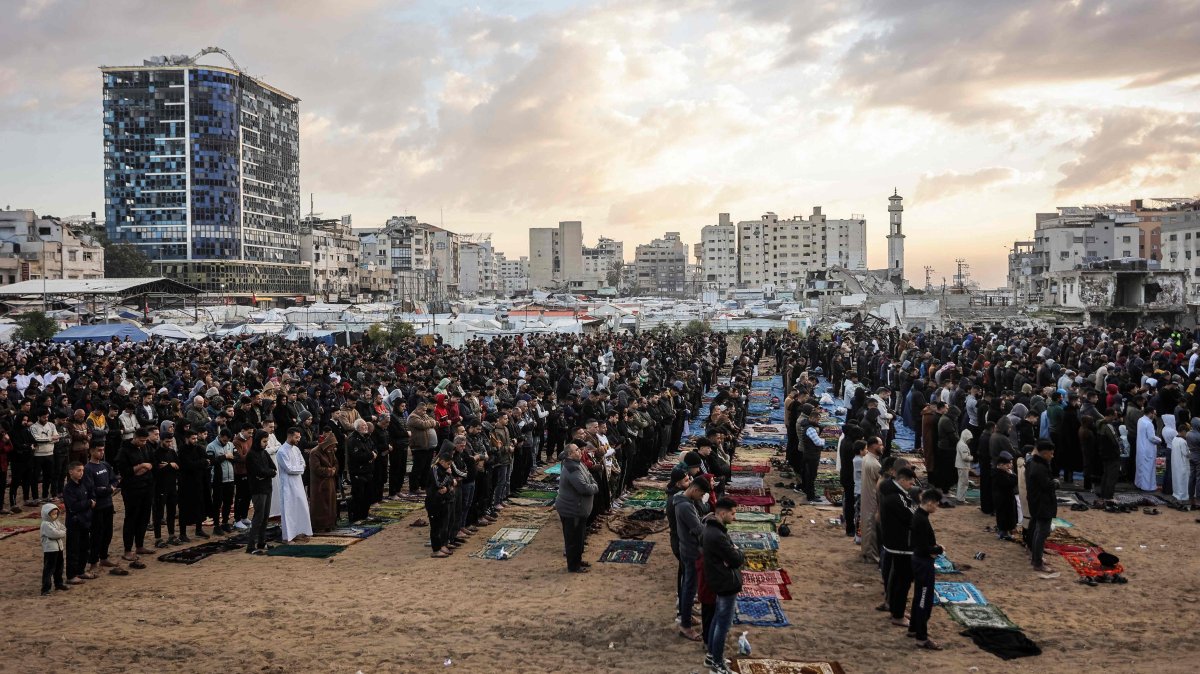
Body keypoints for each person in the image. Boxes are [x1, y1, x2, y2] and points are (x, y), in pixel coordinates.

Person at [702, 497, 743, 674]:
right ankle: (717, 663)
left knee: (717, 620)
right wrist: (738, 552)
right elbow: (736, 559)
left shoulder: (711, 529)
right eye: (732, 513)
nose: (734, 517)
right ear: (722, 513)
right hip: (725, 582)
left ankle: (712, 655)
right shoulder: (717, 535)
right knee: (722, 624)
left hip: (719, 580)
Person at [674, 475, 710, 642]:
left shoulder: (683, 501)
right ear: (695, 490)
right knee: (689, 588)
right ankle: (686, 626)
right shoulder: (685, 507)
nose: (701, 498)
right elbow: (697, 529)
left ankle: (686, 615)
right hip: (691, 551)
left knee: (688, 586)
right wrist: (707, 524)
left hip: (687, 548)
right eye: (701, 494)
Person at [881, 466, 917, 626]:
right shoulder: (896, 497)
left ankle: (896, 609)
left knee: (896, 577)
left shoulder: (891, 492)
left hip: (894, 542)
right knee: (903, 580)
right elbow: (910, 516)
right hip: (901, 544)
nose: (912, 485)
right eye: (910, 483)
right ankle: (898, 614)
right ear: (902, 480)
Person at [909, 488, 944, 650]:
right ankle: (921, 637)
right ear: (929, 503)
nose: (937, 507)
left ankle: (913, 628)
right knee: (924, 600)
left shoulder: (920, 515)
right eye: (936, 504)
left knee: (918, 597)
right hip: (923, 563)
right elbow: (923, 547)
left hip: (919, 560)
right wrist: (938, 549)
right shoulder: (921, 520)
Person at [114, 427, 155, 569]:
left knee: (144, 517)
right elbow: (125, 471)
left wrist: (142, 468)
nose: (143, 443)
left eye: (145, 440)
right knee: (131, 518)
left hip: (147, 485)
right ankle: (127, 550)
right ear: (135, 437)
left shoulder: (146, 447)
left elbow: (151, 463)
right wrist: (141, 466)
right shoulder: (124, 450)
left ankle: (140, 545)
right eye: (141, 440)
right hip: (131, 489)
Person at [555, 443, 598, 573]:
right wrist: (595, 487)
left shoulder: (578, 464)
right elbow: (584, 488)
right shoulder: (571, 468)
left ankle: (577, 560)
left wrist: (593, 483)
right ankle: (573, 566)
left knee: (579, 537)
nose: (580, 451)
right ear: (569, 454)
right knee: (573, 539)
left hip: (578, 509)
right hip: (571, 510)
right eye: (576, 450)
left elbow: (590, 477)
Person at [1025, 441, 1057, 573]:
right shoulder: (1039, 467)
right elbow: (1046, 485)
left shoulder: (1033, 463)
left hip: (1037, 502)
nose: (1052, 456)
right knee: (1042, 531)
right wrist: (1055, 483)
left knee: (1038, 530)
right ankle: (1037, 562)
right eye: (1051, 453)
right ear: (1044, 453)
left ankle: (1036, 558)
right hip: (1042, 503)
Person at [276, 427, 313, 542]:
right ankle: (288, 536)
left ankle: (300, 531)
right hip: (287, 484)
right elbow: (289, 469)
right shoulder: (281, 451)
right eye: (296, 437)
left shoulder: (296, 449)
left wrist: (300, 468)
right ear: (290, 436)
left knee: (301, 507)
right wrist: (301, 468)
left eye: (299, 437)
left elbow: (303, 462)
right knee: (289, 510)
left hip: (298, 483)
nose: (298, 440)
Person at [245, 430, 277, 555]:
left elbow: (272, 468)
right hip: (258, 489)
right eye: (264, 441)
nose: (266, 444)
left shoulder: (263, 453)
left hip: (267, 487)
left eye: (266, 441)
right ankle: (250, 545)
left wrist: (266, 473)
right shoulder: (251, 455)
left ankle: (261, 541)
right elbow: (259, 471)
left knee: (265, 517)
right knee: (258, 516)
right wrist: (266, 473)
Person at [61, 461, 93, 585]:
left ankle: (81, 571)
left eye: (82, 470)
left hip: (85, 521)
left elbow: (90, 495)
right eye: (78, 470)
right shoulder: (68, 488)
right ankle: (71, 575)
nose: (81, 473)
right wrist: (89, 503)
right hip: (74, 523)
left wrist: (89, 502)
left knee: (85, 548)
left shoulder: (82, 484)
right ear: (71, 472)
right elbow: (73, 506)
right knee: (73, 549)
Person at [309, 426, 340, 532]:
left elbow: (336, 463)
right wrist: (330, 471)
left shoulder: (330, 451)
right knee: (320, 505)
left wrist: (334, 469)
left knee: (330, 505)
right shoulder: (315, 452)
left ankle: (330, 524)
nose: (332, 449)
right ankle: (319, 526)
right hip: (319, 484)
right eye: (331, 446)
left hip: (330, 483)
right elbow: (316, 468)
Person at [426, 451, 457, 558]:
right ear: (442, 461)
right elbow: (439, 484)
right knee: (435, 527)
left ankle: (442, 545)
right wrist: (448, 476)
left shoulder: (444, 469)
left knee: (443, 525)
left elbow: (450, 484)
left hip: (443, 500)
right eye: (448, 464)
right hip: (434, 502)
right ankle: (436, 549)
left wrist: (448, 486)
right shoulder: (435, 468)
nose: (449, 466)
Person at [859, 435, 883, 563]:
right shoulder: (874, 463)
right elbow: (880, 484)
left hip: (867, 495)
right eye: (880, 444)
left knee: (867, 524)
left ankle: (866, 551)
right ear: (874, 446)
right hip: (872, 497)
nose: (882, 447)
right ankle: (871, 555)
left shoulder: (867, 458)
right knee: (871, 526)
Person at [346, 419, 376, 522]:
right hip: (358, 472)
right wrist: (371, 455)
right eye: (363, 426)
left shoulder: (367, 437)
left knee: (368, 495)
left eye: (366, 425)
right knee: (358, 496)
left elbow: (374, 448)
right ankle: (356, 517)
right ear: (357, 427)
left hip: (368, 470)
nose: (366, 427)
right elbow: (356, 456)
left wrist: (373, 453)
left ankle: (365, 515)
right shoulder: (353, 440)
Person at [39, 502, 68, 595]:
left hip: (59, 547)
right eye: (53, 514)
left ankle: (58, 583)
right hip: (50, 549)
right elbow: (54, 534)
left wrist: (60, 532)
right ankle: (45, 588)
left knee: (59, 567)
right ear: (47, 514)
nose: (55, 515)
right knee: (49, 569)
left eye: (56, 513)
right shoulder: (45, 524)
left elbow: (64, 529)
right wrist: (61, 533)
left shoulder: (56, 522)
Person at [992, 452, 1017, 540]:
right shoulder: (999, 474)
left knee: (1006, 515)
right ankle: (1003, 533)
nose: (1010, 466)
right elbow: (1010, 483)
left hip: (1004, 498)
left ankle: (1004, 531)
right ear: (1001, 465)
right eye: (1008, 464)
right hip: (1003, 499)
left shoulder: (999, 472)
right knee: (1005, 516)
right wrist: (1012, 475)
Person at [1134, 407, 1161, 492]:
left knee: (1141, 467)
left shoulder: (1140, 420)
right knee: (1148, 469)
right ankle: (1148, 486)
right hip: (1148, 449)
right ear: (1151, 413)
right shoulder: (1149, 424)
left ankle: (1139, 484)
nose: (1155, 415)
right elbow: (1152, 438)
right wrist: (1160, 440)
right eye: (1154, 413)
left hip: (1141, 448)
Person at [954, 428, 973, 504]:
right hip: (963, 466)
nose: (970, 441)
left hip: (961, 465)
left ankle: (960, 498)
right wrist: (971, 458)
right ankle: (961, 499)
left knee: (962, 482)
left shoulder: (960, 443)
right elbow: (965, 457)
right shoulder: (963, 445)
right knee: (964, 483)